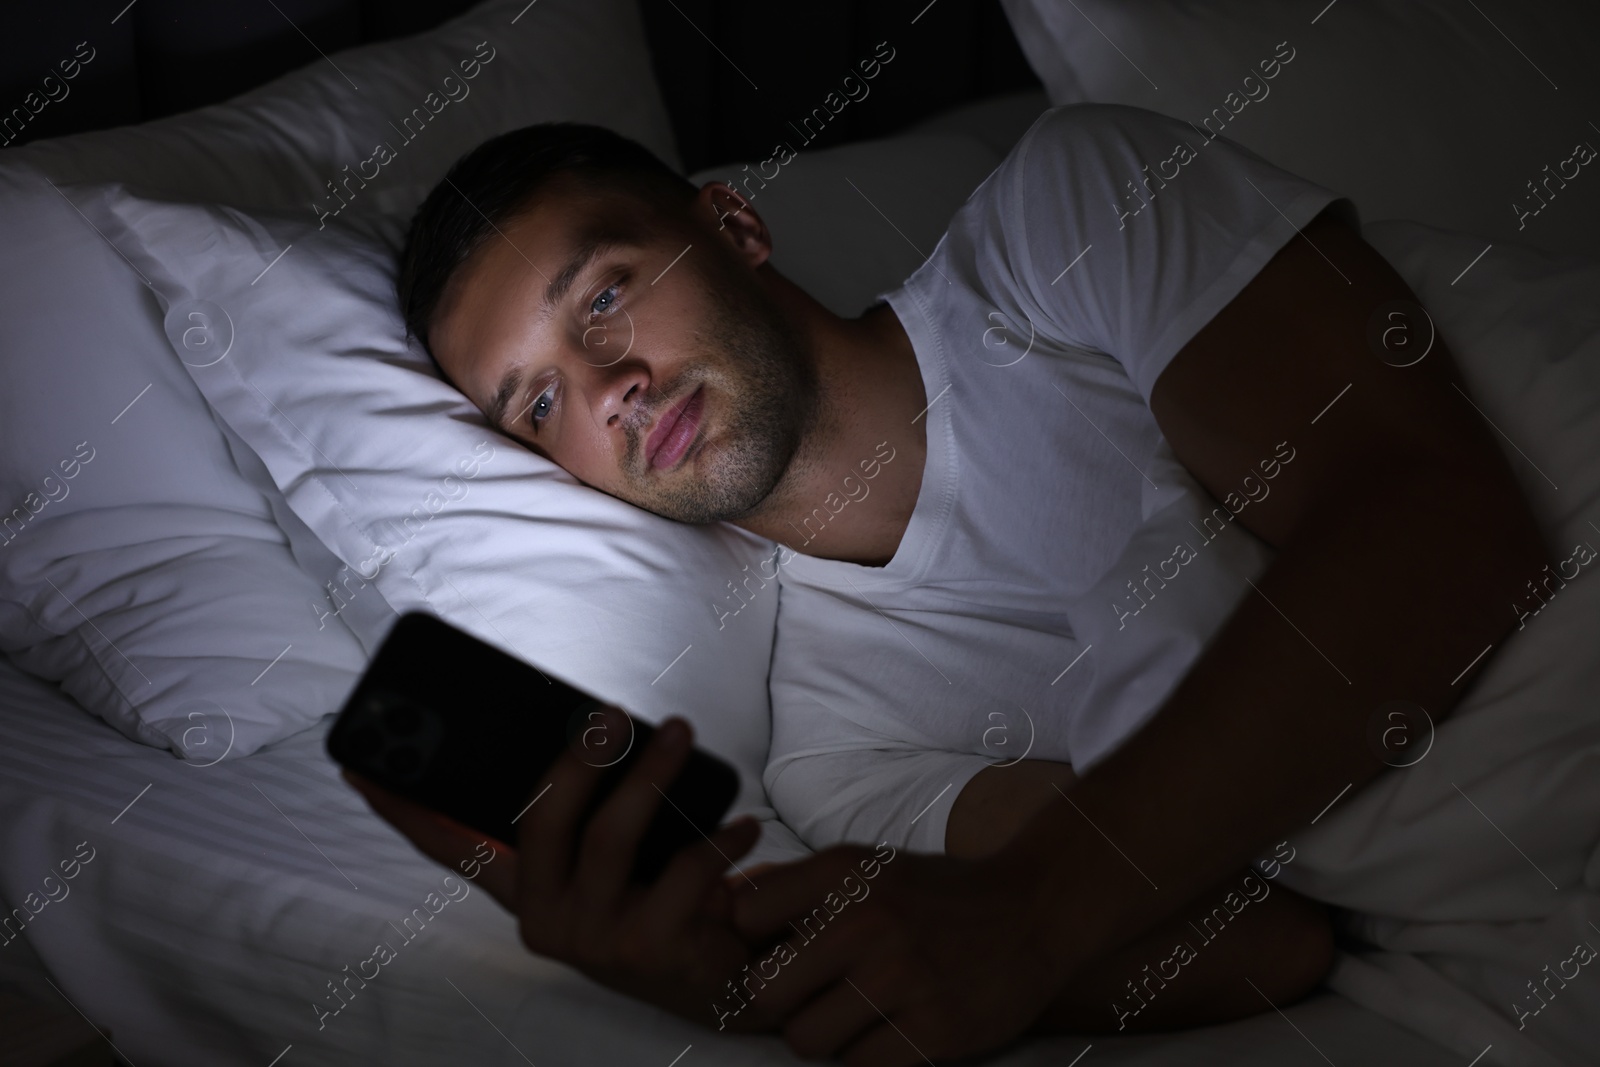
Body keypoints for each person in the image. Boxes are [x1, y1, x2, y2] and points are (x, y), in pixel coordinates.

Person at [348, 103, 1546, 1065]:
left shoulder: (1060, 215)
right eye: (540, 403)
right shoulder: (837, 746)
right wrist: (746, 984)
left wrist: (1030, 907)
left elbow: (1443, 524)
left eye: (602, 294)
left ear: (731, 226)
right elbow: (1268, 943)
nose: (605, 384)